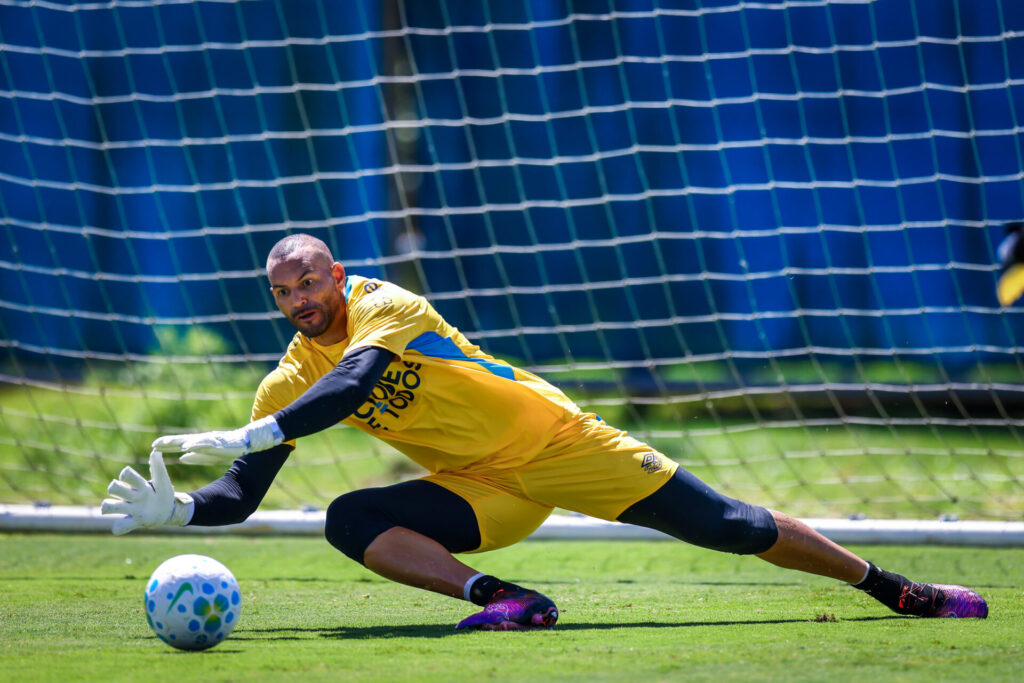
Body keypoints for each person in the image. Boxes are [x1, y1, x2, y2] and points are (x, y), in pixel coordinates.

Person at [101, 233, 988, 630]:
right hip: (483, 491)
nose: (300, 302)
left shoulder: (384, 303)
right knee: (347, 518)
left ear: (338, 273)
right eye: (283, 293)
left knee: (731, 528)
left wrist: (252, 435)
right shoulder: (284, 375)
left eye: (308, 282)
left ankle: (898, 590)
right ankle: (506, 601)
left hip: (562, 445)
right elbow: (241, 495)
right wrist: (179, 515)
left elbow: (356, 383)